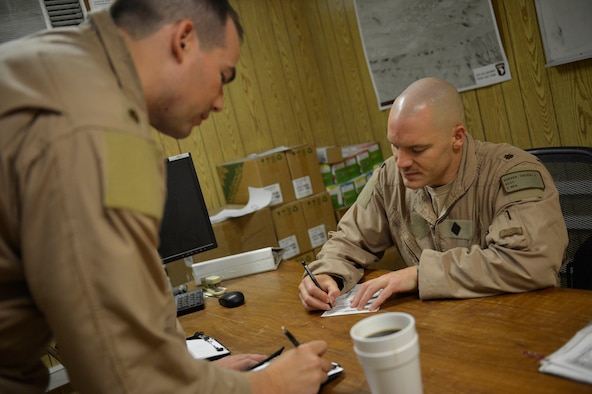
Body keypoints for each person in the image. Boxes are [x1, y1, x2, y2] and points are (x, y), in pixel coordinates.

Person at [0, 1, 332, 393]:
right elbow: (126, 376)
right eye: (224, 76)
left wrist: (194, 374)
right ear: (184, 40)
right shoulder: (98, 129)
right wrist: (271, 384)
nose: (221, 102)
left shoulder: (52, 64)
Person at [299, 77, 568, 312]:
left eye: (417, 149)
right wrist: (327, 275)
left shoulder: (512, 173)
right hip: (437, 325)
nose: (401, 162)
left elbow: (530, 262)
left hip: (517, 318)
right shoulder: (388, 177)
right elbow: (349, 239)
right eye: (395, 146)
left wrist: (419, 275)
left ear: (457, 137)